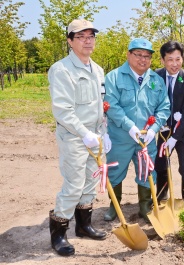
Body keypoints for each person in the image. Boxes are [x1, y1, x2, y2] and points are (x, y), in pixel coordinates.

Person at [48, 19, 110, 256]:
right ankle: (59, 234)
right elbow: (63, 110)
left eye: (91, 36)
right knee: (73, 185)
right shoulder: (61, 70)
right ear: (70, 41)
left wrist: (102, 132)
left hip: (95, 137)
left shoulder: (97, 69)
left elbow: (100, 106)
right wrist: (84, 133)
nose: (87, 41)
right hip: (74, 137)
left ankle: (83, 225)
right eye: (81, 36)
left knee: (90, 182)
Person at [103, 38, 170, 222]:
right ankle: (114, 206)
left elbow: (164, 107)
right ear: (128, 55)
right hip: (120, 137)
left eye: (147, 56)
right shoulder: (114, 77)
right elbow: (112, 105)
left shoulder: (156, 80)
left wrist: (154, 129)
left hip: (146, 140)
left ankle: (144, 206)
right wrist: (129, 126)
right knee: (115, 171)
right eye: (138, 55)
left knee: (147, 172)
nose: (143, 59)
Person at [154, 41, 184, 203]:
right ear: (163, 60)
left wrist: (175, 138)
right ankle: (162, 196)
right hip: (164, 130)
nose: (174, 64)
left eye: (178, 59)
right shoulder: (155, 76)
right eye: (170, 59)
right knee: (160, 163)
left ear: (182, 59)